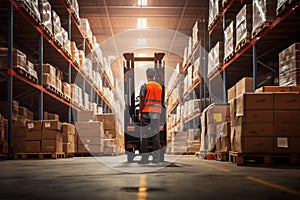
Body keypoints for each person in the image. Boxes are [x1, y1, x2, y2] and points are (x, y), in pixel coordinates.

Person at [138, 67, 163, 164]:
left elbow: (142, 100)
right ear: (154, 75)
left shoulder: (145, 86)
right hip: (156, 113)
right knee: (155, 135)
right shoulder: (160, 87)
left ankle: (145, 159)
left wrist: (140, 112)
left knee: (144, 135)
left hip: (146, 113)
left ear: (147, 75)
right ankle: (156, 158)